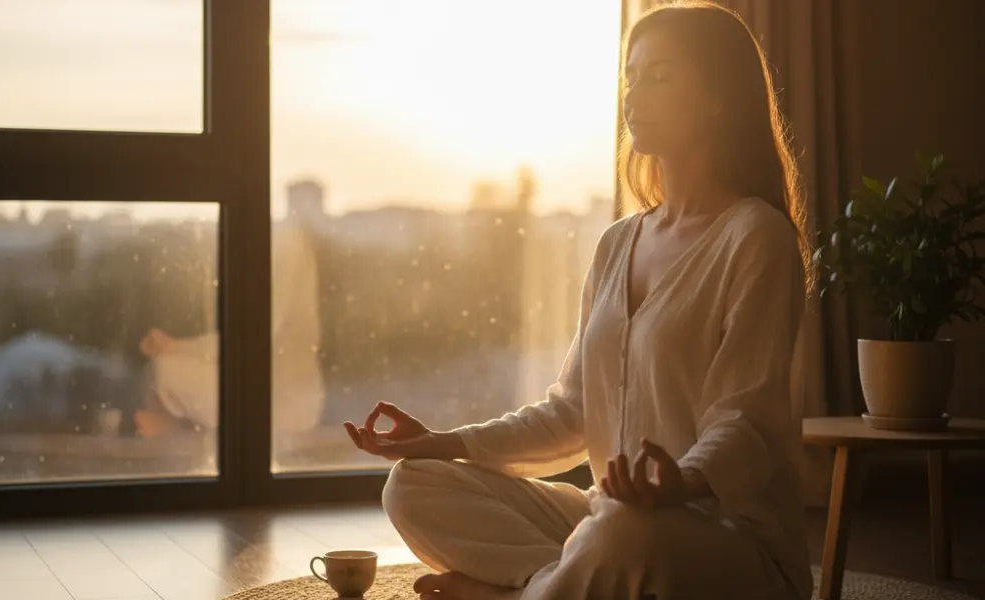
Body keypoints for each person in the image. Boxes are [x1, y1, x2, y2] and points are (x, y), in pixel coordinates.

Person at [345, 2, 814, 599]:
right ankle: (551, 587)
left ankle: (520, 593)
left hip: (722, 538)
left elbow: (747, 420)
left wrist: (683, 481)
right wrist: (445, 442)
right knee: (413, 485)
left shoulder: (756, 237)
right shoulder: (619, 242)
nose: (634, 95)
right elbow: (572, 412)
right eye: (631, 76)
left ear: (719, 97)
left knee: (622, 533)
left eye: (660, 76)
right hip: (608, 518)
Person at [135, 219, 326, 437]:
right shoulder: (270, 239)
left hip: (283, 400)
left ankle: (166, 428)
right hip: (270, 390)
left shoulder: (286, 242)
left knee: (166, 370)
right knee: (159, 371)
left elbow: (252, 339)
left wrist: (174, 347)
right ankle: (167, 423)